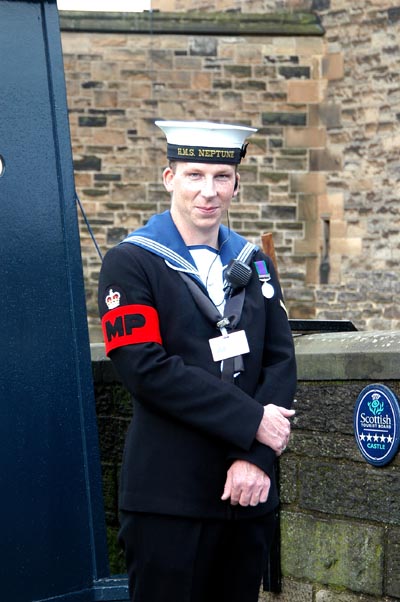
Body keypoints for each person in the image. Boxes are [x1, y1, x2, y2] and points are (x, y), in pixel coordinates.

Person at [98, 120, 297, 602]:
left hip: (248, 495)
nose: (208, 192)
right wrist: (253, 422)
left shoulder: (253, 261)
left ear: (235, 184)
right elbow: (145, 368)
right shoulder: (133, 261)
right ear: (169, 178)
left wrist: (254, 459)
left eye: (221, 178)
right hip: (170, 500)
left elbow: (279, 360)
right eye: (194, 175)